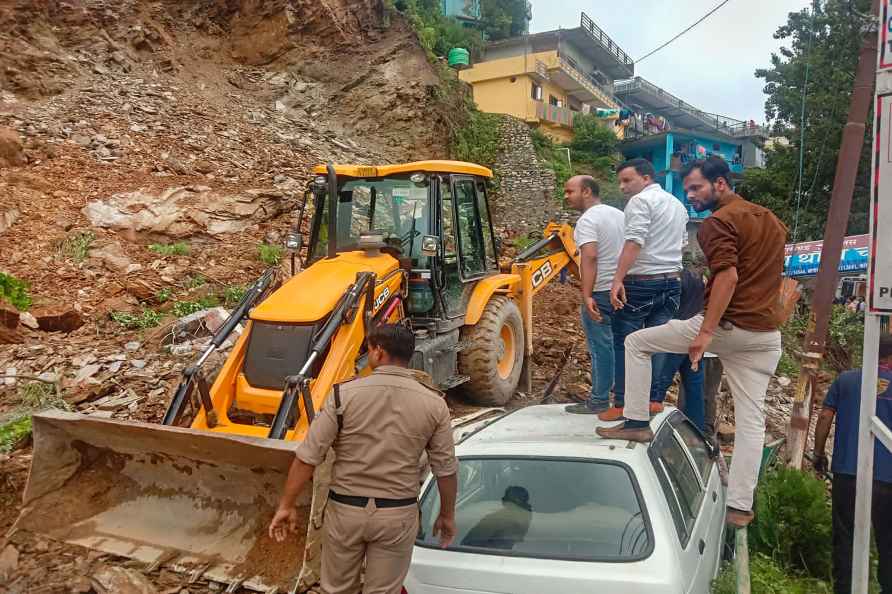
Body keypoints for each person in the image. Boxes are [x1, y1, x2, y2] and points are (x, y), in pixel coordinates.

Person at [597, 156, 787, 528]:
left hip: (726, 326)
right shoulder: (772, 222)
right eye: (687, 190)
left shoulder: (717, 224)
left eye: (697, 188)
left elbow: (728, 279)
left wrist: (703, 334)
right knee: (752, 420)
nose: (691, 196)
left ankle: (635, 420)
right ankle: (739, 507)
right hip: (765, 335)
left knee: (636, 342)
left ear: (720, 184)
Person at [268, 324, 458, 594]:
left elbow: (308, 457)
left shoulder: (342, 394)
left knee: (336, 589)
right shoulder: (434, 403)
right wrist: (447, 515)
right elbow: (445, 469)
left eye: (368, 349)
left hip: (346, 512)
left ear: (379, 352)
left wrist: (286, 505)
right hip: (397, 514)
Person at [600, 158, 689, 422]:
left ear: (646, 178)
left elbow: (634, 241)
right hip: (672, 281)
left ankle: (623, 403)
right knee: (657, 341)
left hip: (641, 282)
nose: (623, 187)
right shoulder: (677, 204)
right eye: (621, 182)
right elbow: (683, 243)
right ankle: (652, 400)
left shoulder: (640, 202)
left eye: (628, 180)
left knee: (624, 342)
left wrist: (617, 279)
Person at [813, 334, 892, 594]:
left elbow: (824, 417)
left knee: (845, 537)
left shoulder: (846, 380)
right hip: (887, 479)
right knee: (888, 541)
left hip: (848, 472)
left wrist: (819, 453)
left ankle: (845, 590)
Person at [563, 175, 625, 414]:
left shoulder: (588, 220)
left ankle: (599, 400)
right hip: (622, 290)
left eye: (570, 192)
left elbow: (589, 256)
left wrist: (586, 294)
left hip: (600, 291)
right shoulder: (619, 215)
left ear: (586, 191)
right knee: (622, 346)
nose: (566, 196)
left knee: (601, 347)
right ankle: (622, 400)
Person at [651, 269, 706, 430]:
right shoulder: (699, 278)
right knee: (695, 388)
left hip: (675, 337)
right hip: (695, 337)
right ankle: (698, 433)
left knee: (660, 383)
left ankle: (647, 425)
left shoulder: (674, 279)